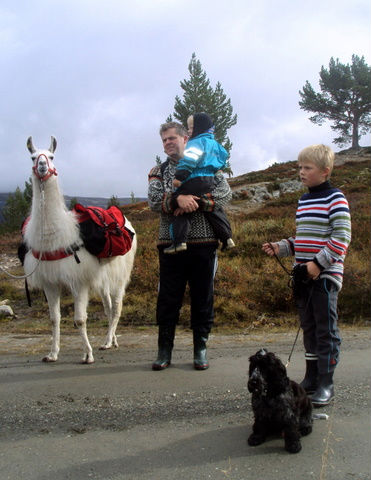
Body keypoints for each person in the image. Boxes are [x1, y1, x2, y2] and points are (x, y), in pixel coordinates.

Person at [262, 144, 351, 407]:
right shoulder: (304, 200)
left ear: (324, 171)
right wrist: (282, 246)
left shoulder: (336, 198)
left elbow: (341, 238)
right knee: (309, 329)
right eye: (299, 167)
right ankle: (311, 379)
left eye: (307, 168)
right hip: (303, 278)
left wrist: (317, 265)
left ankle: (326, 382)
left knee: (326, 332)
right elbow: (303, 240)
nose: (301, 172)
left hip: (324, 279)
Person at [148, 121, 233, 371]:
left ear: (186, 138)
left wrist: (195, 202)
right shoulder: (158, 170)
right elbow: (154, 200)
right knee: (168, 297)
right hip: (169, 243)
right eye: (164, 140)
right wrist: (178, 199)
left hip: (205, 243)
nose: (168, 143)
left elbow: (226, 194)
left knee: (203, 296)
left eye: (172, 138)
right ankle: (164, 350)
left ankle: (200, 350)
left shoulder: (208, 164)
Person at [163, 113, 235, 254]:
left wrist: (180, 182)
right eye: (164, 140)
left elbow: (189, 161)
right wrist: (213, 168)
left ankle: (179, 242)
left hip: (194, 179)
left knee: (181, 212)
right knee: (216, 211)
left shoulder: (195, 143)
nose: (189, 131)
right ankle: (227, 238)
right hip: (209, 179)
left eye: (191, 128)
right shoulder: (215, 145)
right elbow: (224, 156)